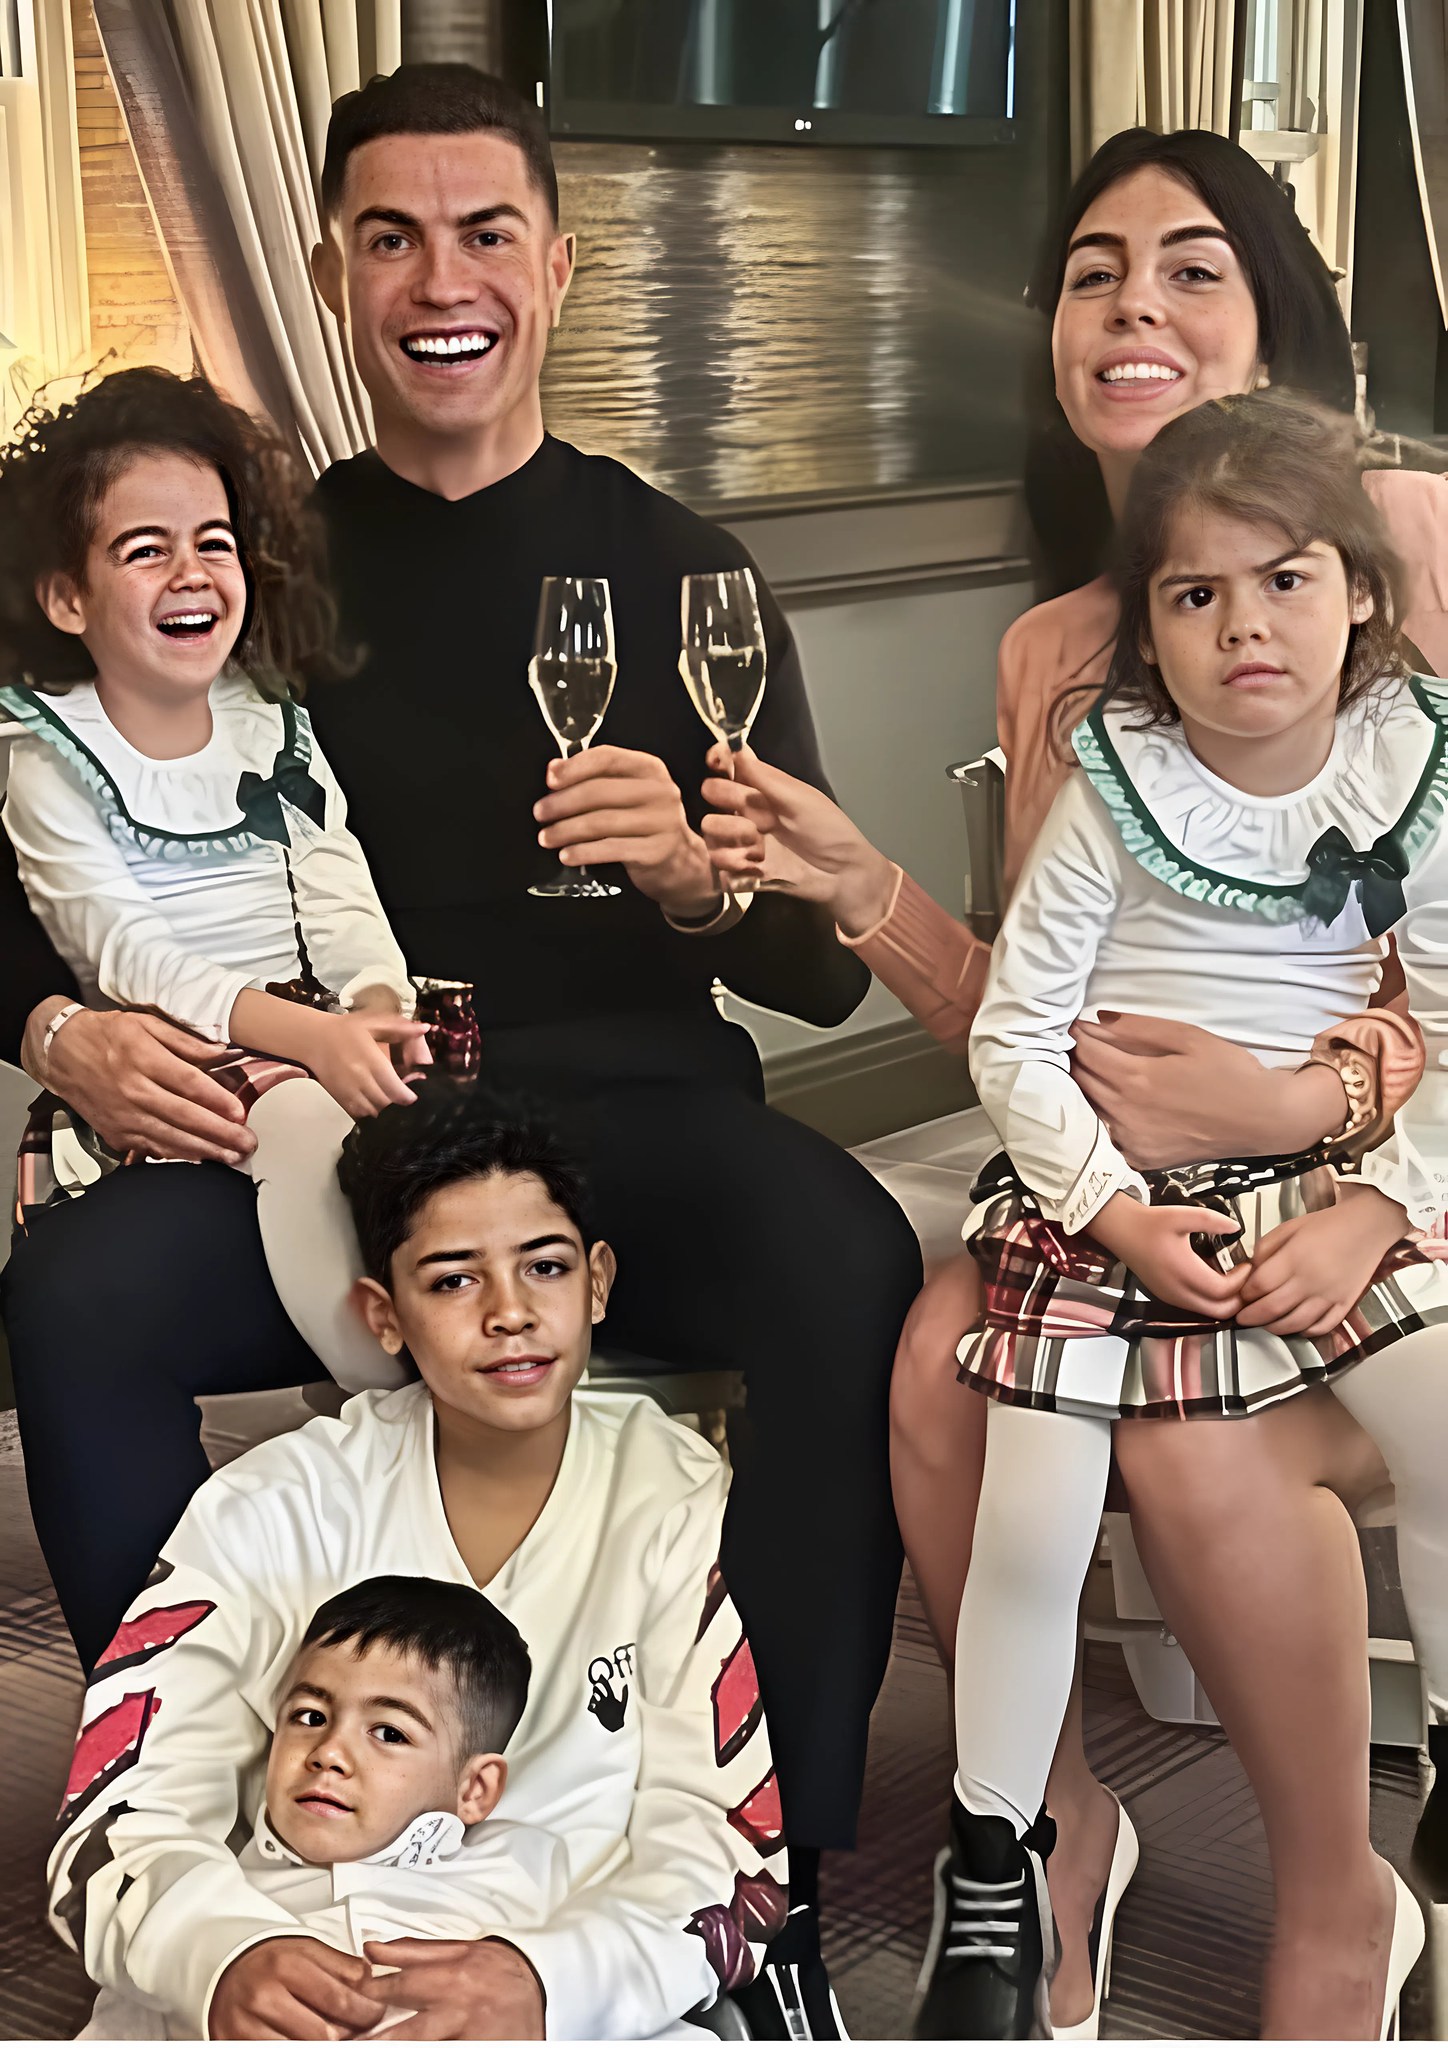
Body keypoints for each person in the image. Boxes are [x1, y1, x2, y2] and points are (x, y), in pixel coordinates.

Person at [3, 68, 923, 2034]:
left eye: (486, 233)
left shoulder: (681, 564)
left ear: (556, 267)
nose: (443, 281)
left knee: (844, 1251)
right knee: (76, 1293)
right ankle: (216, 1830)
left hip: (632, 1103)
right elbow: (44, 819)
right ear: (331, 271)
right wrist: (56, 1027)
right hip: (342, 1115)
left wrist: (693, 881)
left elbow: (818, 972)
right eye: (392, 238)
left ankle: (761, 1886)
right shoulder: (248, 560)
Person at [699, 127, 1448, 2039]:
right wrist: (862, 890)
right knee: (934, 1360)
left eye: (1192, 265)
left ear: (1276, 324)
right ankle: (1038, 1828)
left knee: (1196, 1445)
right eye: (1094, 270)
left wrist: (1315, 1117)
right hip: (1128, 1204)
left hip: (1390, 1185)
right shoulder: (1053, 651)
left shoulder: (1411, 545)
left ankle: (1337, 1903)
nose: (1132, 306)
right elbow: (1033, 1020)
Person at [48, 1082, 788, 2042]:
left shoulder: (678, 1500)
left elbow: (726, 1842)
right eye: (452, 1281)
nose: (511, 1314)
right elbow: (116, 1817)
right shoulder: (274, 1505)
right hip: (279, 1962)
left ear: (598, 1282)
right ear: (384, 1313)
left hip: (555, 1987)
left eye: (546, 1267)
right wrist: (222, 1955)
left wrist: (552, 1984)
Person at [0, 368, 430, 1388]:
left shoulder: (269, 718)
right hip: (179, 1054)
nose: (191, 572)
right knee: (309, 1130)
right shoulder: (44, 752)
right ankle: (394, 1408)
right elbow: (128, 957)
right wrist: (313, 1043)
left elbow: (338, 886)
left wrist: (376, 1005)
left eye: (214, 542)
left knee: (447, 1119)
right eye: (145, 550)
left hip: (306, 1026)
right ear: (66, 596)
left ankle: (478, 1377)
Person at [79, 1573, 570, 2038]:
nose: (328, 1753)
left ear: (474, 1790)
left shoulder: (527, 1871)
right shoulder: (197, 1898)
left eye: (389, 1733)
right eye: (310, 1717)